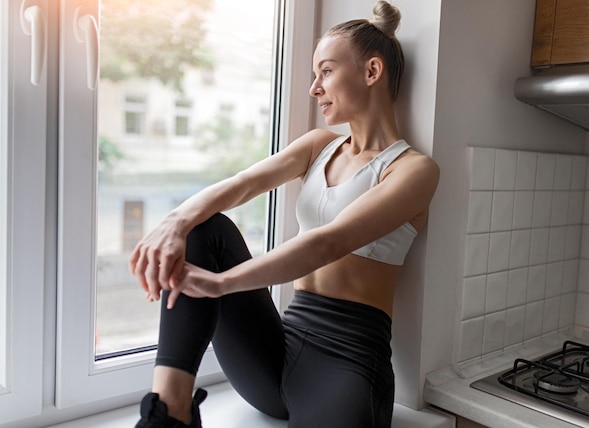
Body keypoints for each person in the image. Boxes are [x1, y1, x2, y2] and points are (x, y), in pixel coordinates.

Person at [129, 1, 439, 427]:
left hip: (347, 361)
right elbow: (242, 184)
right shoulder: (318, 145)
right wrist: (174, 222)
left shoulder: (414, 171)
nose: (315, 87)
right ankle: (170, 411)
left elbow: (331, 241)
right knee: (204, 225)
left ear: (371, 72)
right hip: (276, 350)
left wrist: (222, 284)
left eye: (326, 71)